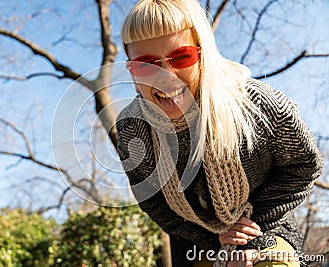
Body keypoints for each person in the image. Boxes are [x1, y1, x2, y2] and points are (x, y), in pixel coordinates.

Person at [115, 0, 323, 266]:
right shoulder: (133, 130)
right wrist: (217, 239)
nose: (166, 76)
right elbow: (155, 203)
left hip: (267, 229)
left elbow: (304, 165)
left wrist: (250, 230)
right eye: (146, 65)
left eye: (181, 57)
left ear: (203, 53)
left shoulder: (256, 104)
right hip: (196, 244)